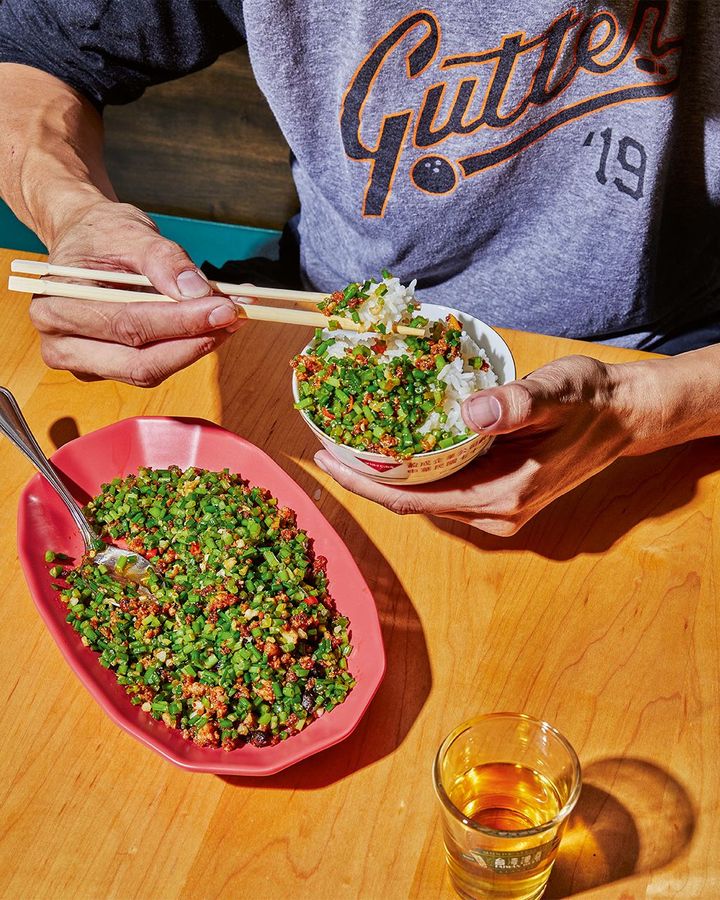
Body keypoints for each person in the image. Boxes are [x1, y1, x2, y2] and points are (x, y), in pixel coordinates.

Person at [0, 1, 718, 535]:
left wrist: (655, 406)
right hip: (323, 328)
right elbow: (30, 54)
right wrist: (71, 210)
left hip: (667, 367)